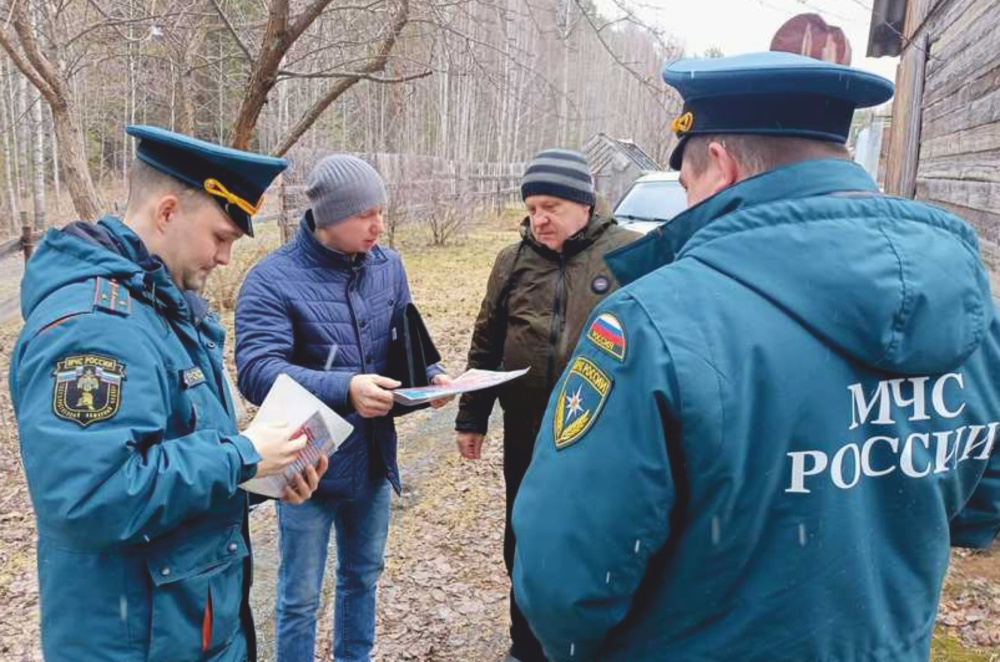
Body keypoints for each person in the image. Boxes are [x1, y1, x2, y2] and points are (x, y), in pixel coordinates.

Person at [512, 51, 1000, 662]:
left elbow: (567, 583)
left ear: (719, 164)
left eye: (685, 187)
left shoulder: (654, 323)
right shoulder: (972, 303)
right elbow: (980, 508)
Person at [8, 125, 328, 662]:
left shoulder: (159, 309)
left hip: (187, 627)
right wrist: (243, 455)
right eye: (221, 236)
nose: (225, 258)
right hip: (131, 642)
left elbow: (171, 464)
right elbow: (89, 499)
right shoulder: (93, 329)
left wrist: (259, 476)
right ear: (167, 212)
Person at [235, 154, 451, 662]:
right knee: (299, 597)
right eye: (365, 215)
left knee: (362, 578)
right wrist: (344, 387)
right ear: (328, 217)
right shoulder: (272, 279)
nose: (379, 225)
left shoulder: (388, 266)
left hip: (373, 459)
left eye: (382, 211)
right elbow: (256, 370)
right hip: (306, 466)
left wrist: (434, 372)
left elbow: (406, 334)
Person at [454, 148, 638, 662]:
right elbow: (486, 343)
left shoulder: (629, 255)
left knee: (597, 537)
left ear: (585, 203)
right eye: (533, 207)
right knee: (526, 536)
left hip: (604, 433)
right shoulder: (512, 263)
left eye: (552, 205)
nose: (540, 219)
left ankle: (597, 643)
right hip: (528, 429)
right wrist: (472, 417)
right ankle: (526, 645)